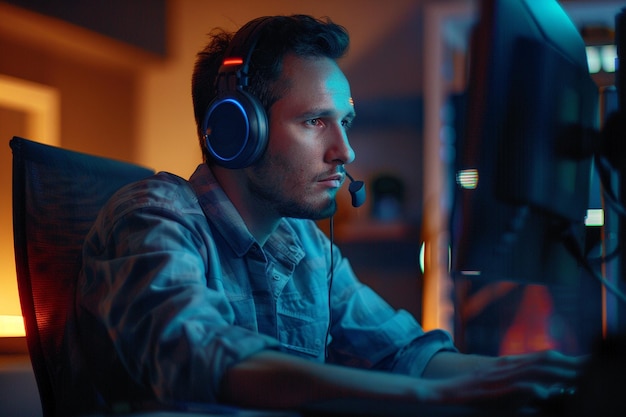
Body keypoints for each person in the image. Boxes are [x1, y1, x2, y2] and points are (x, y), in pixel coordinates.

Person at [75, 14, 583, 413]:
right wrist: (436, 401)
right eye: (315, 121)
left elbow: (404, 354)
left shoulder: (309, 248)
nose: (346, 151)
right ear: (236, 131)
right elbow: (201, 358)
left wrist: (538, 377)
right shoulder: (151, 219)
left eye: (346, 122)